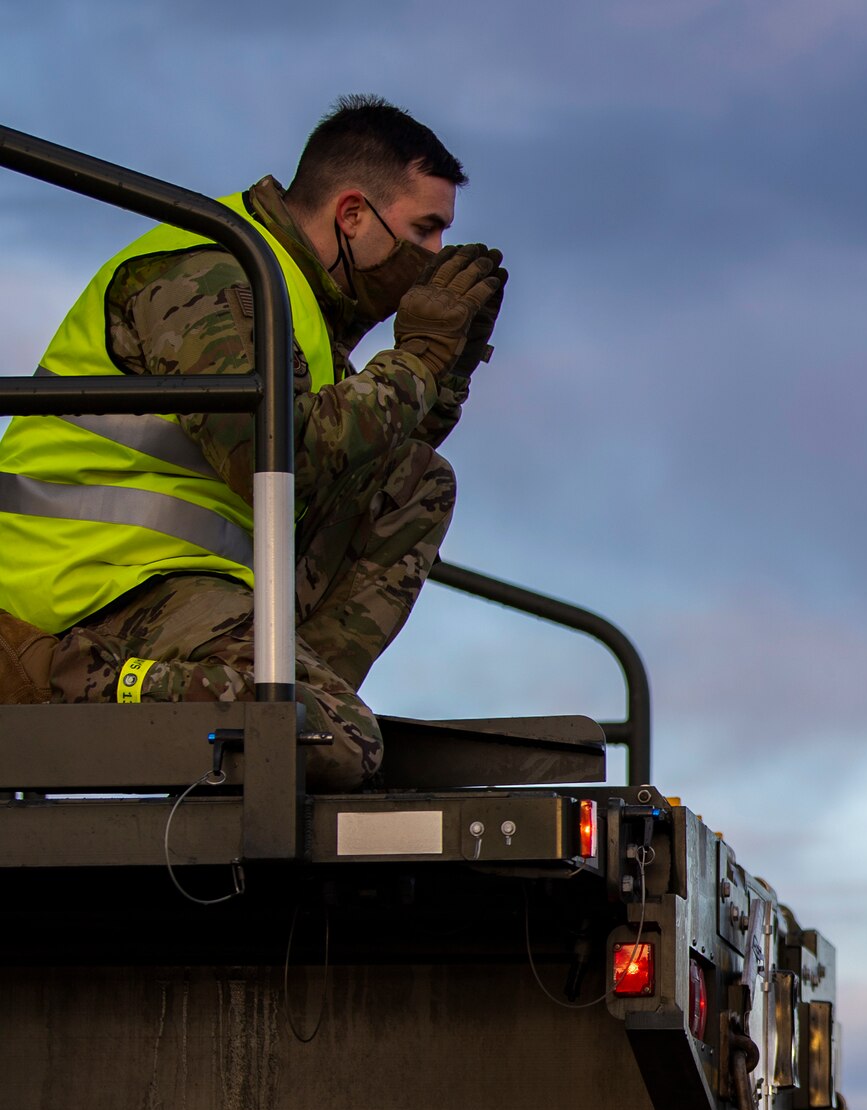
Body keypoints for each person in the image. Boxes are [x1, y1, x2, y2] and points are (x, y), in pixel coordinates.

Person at [0, 95, 505, 788]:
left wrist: (449, 364)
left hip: (190, 583)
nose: (434, 256)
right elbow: (282, 457)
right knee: (337, 739)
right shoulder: (218, 273)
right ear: (353, 214)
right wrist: (415, 356)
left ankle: (287, 696)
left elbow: (366, 462)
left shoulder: (300, 301)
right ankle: (61, 675)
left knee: (416, 482)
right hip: (90, 586)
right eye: (424, 230)